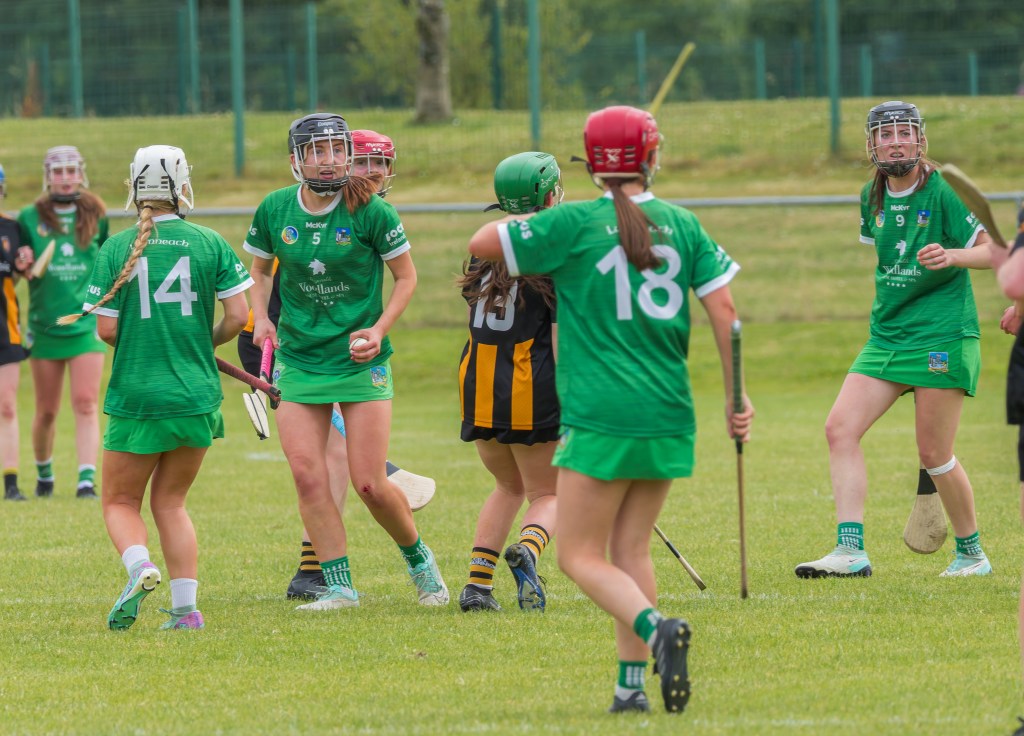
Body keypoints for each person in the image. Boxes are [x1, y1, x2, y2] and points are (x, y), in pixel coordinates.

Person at [468, 105, 753, 714]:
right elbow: (727, 317)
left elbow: (481, 243)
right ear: (652, 156)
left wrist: (535, 216)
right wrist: (737, 400)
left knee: (578, 556)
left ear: (591, 164)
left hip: (599, 414)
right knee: (631, 551)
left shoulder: (572, 223)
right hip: (668, 413)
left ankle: (657, 630)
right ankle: (629, 689)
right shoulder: (684, 224)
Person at [244, 113, 448, 610]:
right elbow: (259, 270)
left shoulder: (372, 211)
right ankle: (339, 587)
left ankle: (421, 563)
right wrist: (262, 319)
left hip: (359, 361)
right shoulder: (274, 208)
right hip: (298, 359)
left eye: (337, 149)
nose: (328, 160)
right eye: (316, 151)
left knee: (370, 483)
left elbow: (406, 278)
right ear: (296, 159)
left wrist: (379, 330)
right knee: (308, 475)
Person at [795, 100, 995, 580]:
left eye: (905, 132)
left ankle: (972, 555)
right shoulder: (872, 196)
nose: (896, 142)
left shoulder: (944, 190)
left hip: (942, 333)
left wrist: (953, 255)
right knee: (839, 429)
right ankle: (850, 551)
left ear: (920, 139)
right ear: (872, 145)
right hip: (887, 336)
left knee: (934, 454)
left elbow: (996, 252)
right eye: (885, 135)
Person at [60, 145, 252, 630]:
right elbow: (238, 317)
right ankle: (186, 611)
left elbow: (106, 330)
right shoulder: (210, 242)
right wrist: (203, 342)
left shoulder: (115, 247)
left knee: (120, 502)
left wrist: (146, 341)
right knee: (172, 502)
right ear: (183, 186)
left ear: (134, 187)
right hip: (196, 395)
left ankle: (140, 567)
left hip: (139, 395)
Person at [456, 151, 562, 613]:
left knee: (507, 486)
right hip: (529, 389)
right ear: (550, 197)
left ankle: (477, 586)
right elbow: (560, 343)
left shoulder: (483, 251)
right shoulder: (554, 255)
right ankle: (529, 550)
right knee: (549, 493)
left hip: (479, 386)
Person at [15, 145, 108, 499]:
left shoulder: (96, 212)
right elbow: (19, 270)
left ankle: (86, 481)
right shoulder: (29, 217)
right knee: (46, 411)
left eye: (71, 170)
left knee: (86, 402)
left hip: (84, 324)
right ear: (48, 176)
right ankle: (44, 476)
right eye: (58, 171)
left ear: (81, 173)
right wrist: (22, 264)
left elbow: (106, 263)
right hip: (45, 326)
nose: (65, 178)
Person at [1, 163, 31, 501]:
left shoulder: (12, 227)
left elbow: (16, 275)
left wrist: (22, 267)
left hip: (5, 327)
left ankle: (11, 484)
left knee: (7, 406)